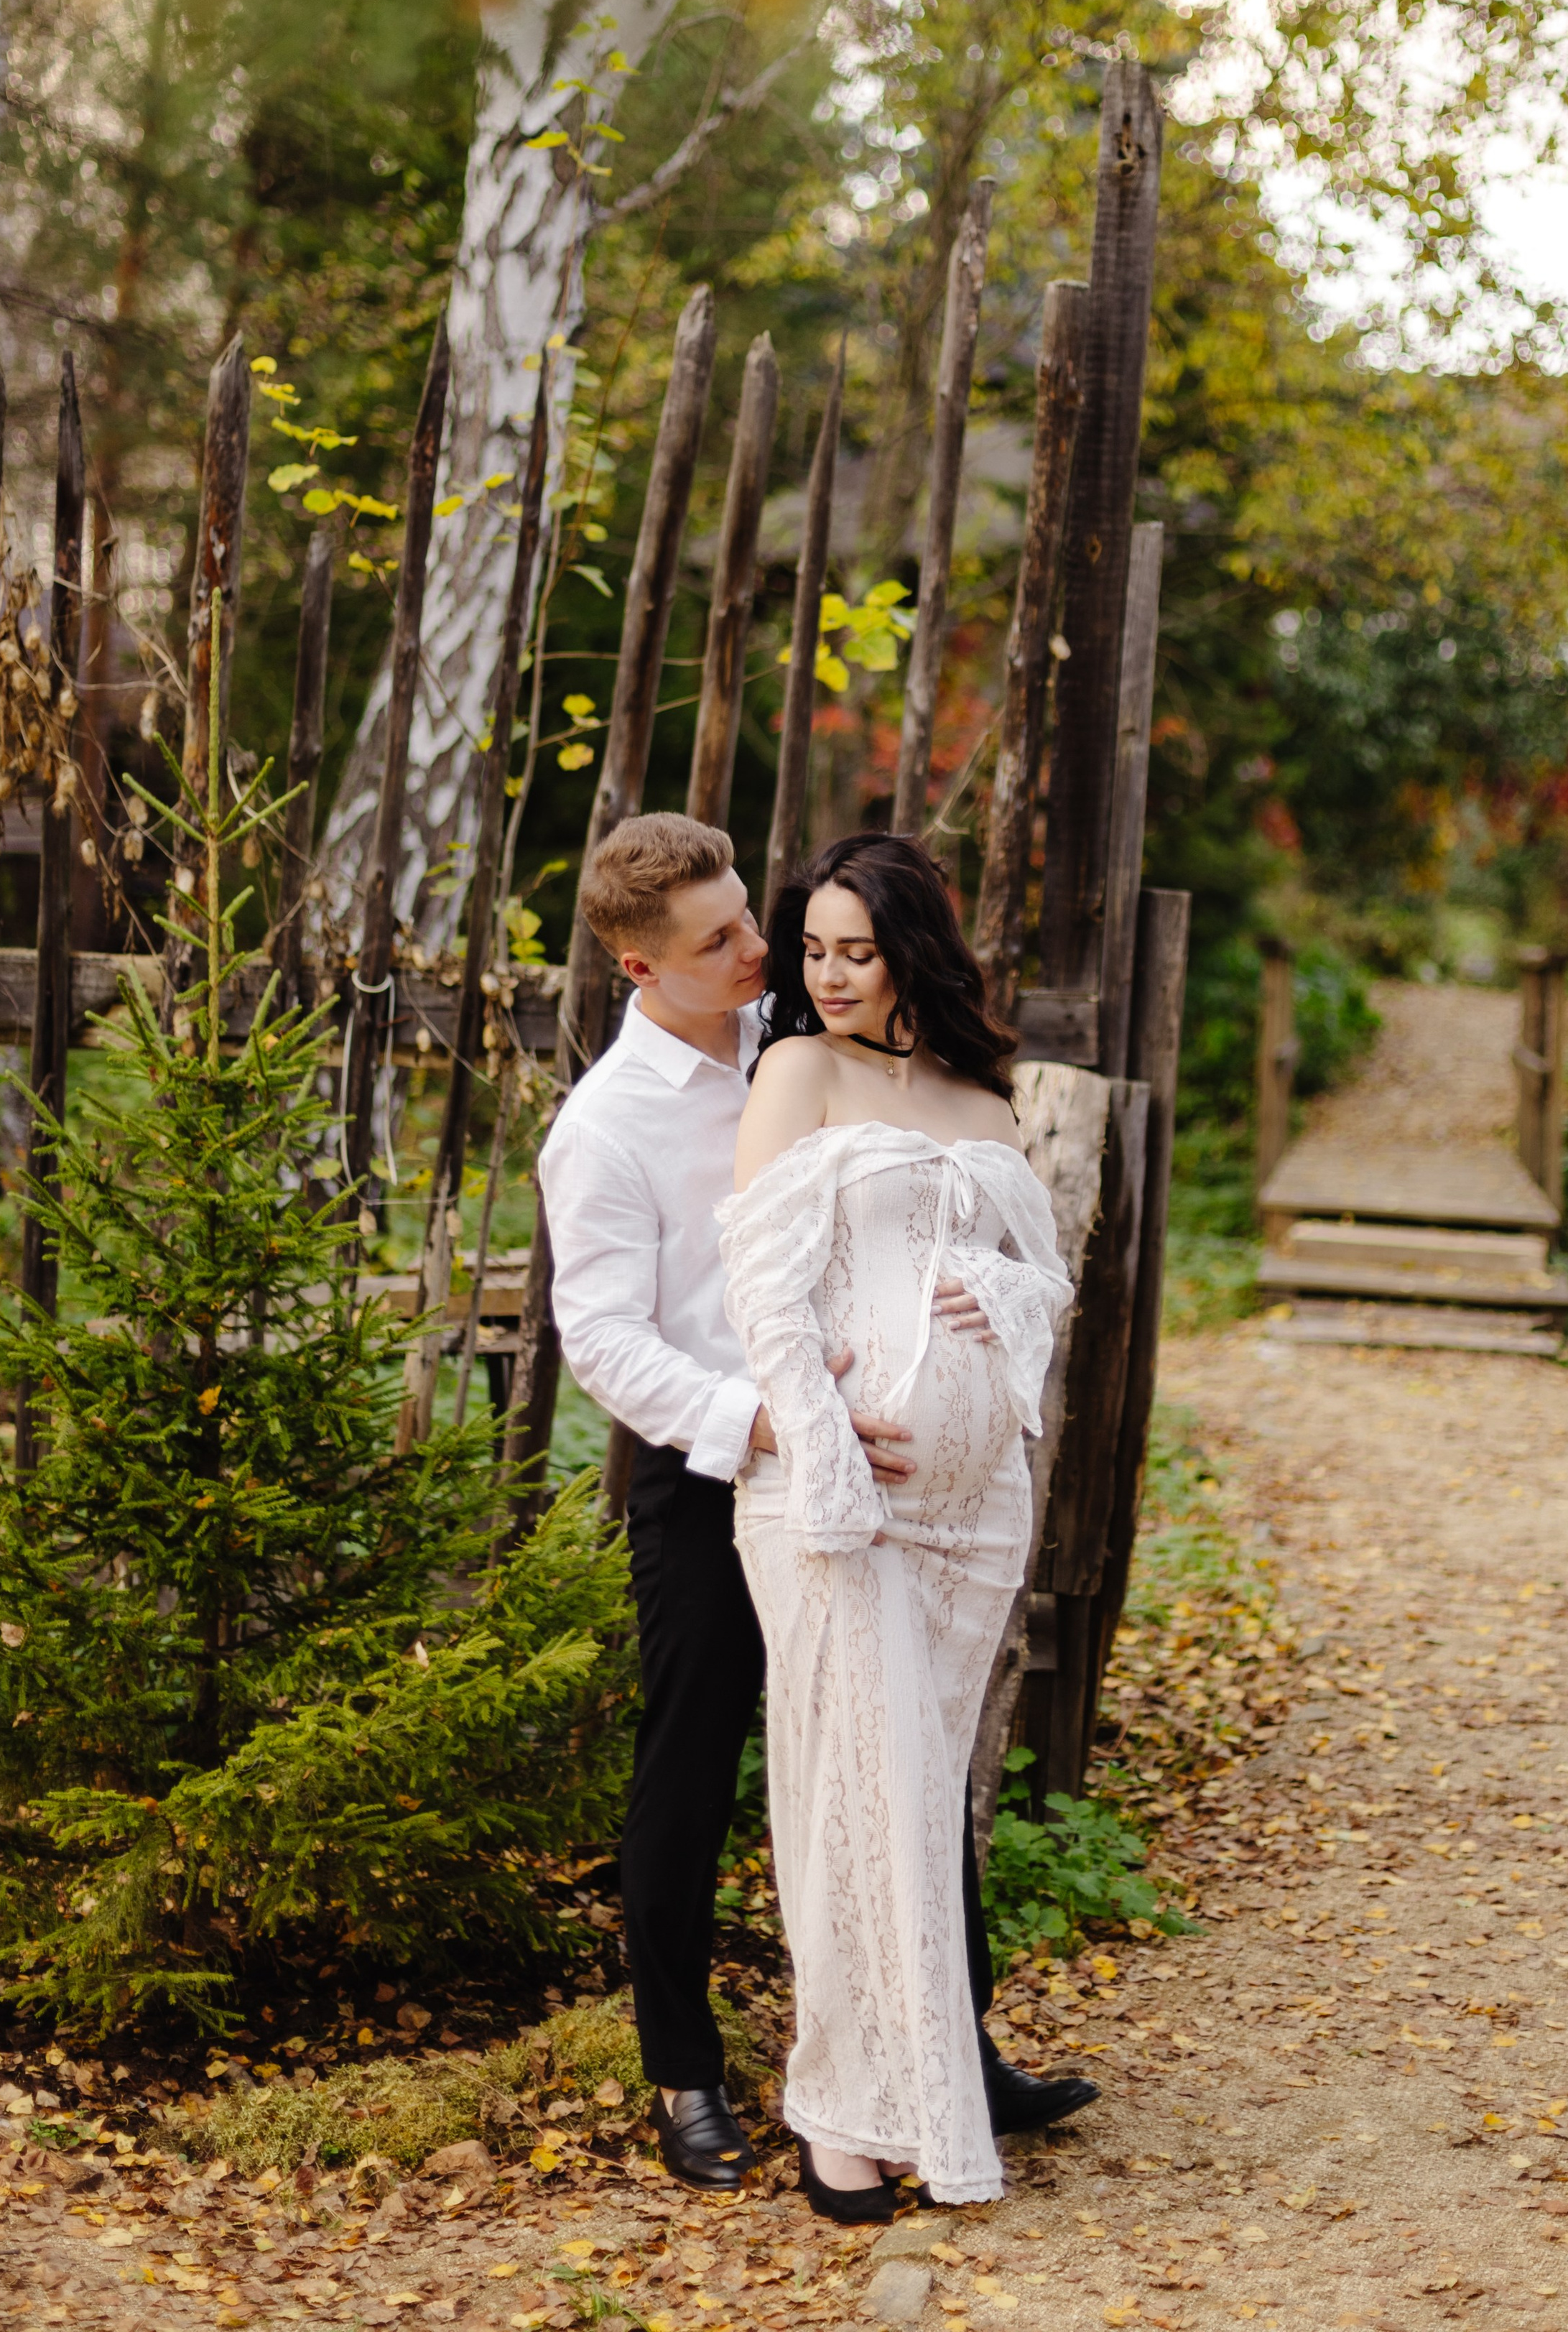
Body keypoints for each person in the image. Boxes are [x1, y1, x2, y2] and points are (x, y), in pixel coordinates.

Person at [539, 815, 1094, 2201]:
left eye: (751, 924)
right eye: (721, 941)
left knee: (901, 1753)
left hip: (890, 1472)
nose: (760, 953)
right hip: (718, 1460)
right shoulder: (607, 1125)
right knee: (696, 1761)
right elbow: (603, 1336)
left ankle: (950, 2051)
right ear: (634, 962)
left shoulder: (802, 1035)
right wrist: (774, 1419)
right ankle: (685, 2074)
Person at [719, 832, 1074, 2219]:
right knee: (847, 1800)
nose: (828, 974)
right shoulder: (797, 1073)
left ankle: (915, 2098)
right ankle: (833, 2113)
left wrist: (1004, 1299)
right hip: (841, 1505)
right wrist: (824, 1461)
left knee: (917, 1806)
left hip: (977, 1516)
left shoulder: (985, 1099)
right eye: (811, 950)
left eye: (854, 951)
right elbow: (766, 1288)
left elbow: (1046, 1286)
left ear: (915, 946)